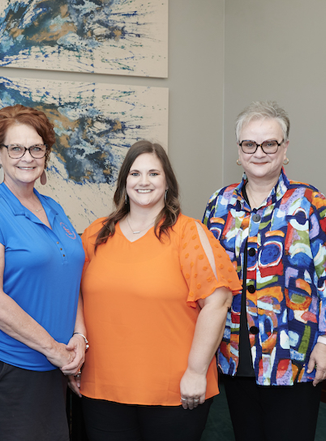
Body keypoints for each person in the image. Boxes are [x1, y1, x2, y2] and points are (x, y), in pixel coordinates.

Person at [202, 101, 326, 441]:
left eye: (270, 143)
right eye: (249, 144)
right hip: (235, 354)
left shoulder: (309, 202)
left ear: (285, 148)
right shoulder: (219, 204)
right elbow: (206, 276)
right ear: (239, 150)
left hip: (293, 354)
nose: (259, 152)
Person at [76, 141, 241, 441]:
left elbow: (218, 303)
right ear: (124, 182)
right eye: (135, 173)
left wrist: (196, 371)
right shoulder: (95, 234)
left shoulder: (190, 233)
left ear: (167, 183)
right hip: (102, 388)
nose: (144, 181)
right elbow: (75, 296)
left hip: (174, 390)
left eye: (154, 173)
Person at [0, 104, 86, 441]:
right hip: (3, 365)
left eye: (36, 147)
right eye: (15, 147)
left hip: (52, 363)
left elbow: (71, 281)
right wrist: (55, 350)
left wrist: (79, 338)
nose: (26, 157)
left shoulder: (54, 208)